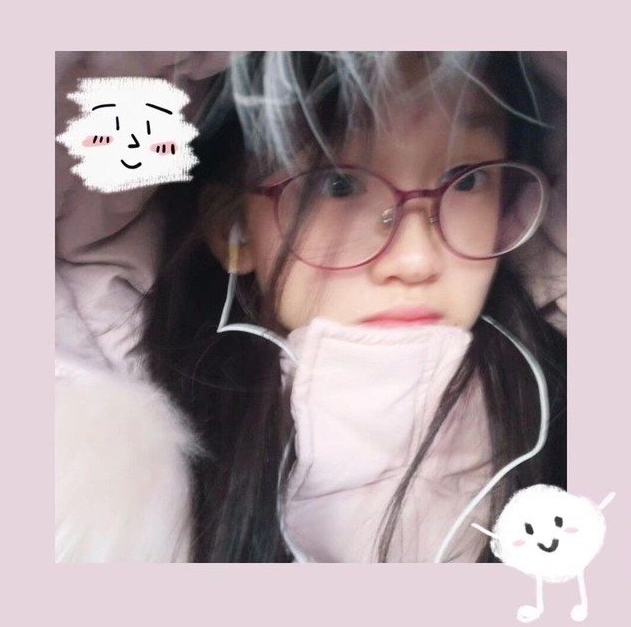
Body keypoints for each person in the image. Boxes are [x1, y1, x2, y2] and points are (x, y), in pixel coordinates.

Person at [139, 52, 567, 563]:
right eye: (338, 184)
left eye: (468, 178)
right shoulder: (140, 464)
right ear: (233, 225)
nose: (415, 259)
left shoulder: (564, 412)